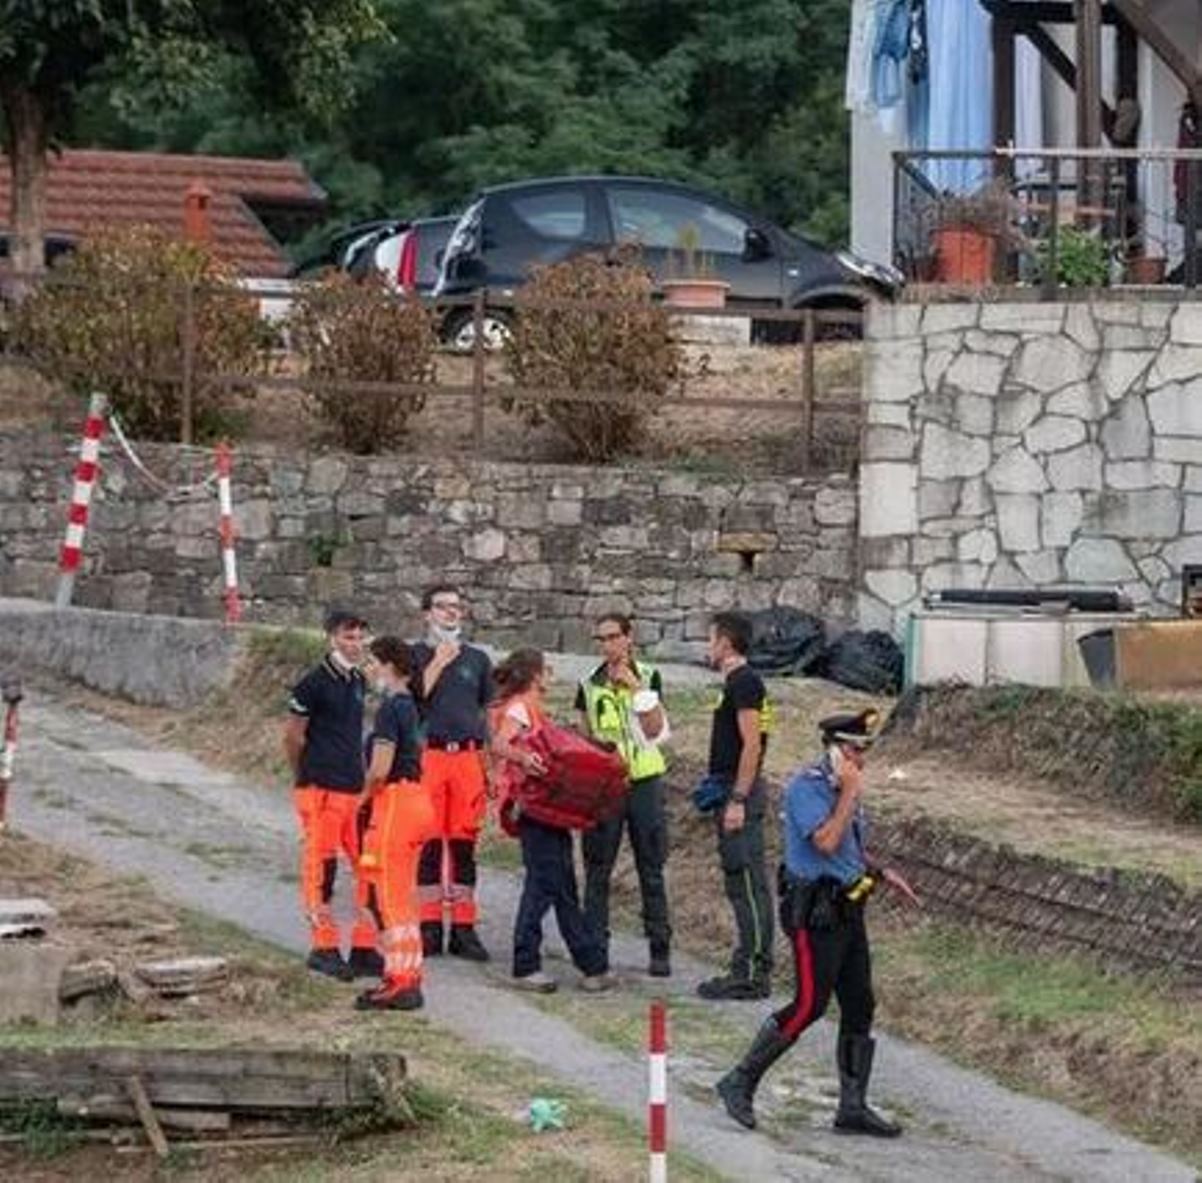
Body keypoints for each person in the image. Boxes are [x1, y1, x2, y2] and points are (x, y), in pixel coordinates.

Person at [716, 709, 920, 1137]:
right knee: (810, 1004)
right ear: (834, 748)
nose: (860, 760)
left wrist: (881, 872)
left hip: (847, 908)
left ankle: (852, 1106)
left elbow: (849, 846)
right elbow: (826, 842)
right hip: (814, 915)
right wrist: (847, 794)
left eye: (863, 751)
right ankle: (740, 1080)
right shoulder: (806, 789)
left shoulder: (843, 786)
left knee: (861, 1003)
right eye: (853, 750)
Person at [490, 648, 612, 995]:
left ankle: (591, 965)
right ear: (535, 675)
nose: (552, 674)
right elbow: (500, 744)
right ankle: (526, 963)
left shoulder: (530, 708)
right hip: (534, 806)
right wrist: (525, 759)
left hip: (545, 806)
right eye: (547, 670)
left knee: (560, 885)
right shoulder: (519, 707)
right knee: (544, 884)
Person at [283, 605, 381, 981]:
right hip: (321, 787)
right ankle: (323, 945)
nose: (355, 644)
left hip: (350, 788)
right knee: (320, 867)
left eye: (359, 637)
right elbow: (293, 735)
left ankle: (362, 945)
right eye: (347, 637)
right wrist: (303, 776)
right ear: (331, 638)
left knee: (365, 866)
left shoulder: (356, 680)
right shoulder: (313, 682)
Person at [575, 613, 673, 977]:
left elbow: (657, 729)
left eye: (614, 637)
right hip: (607, 785)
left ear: (629, 639)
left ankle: (659, 945)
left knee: (651, 866)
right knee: (599, 867)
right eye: (601, 639)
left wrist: (634, 688)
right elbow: (583, 734)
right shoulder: (588, 683)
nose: (607, 645)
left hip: (645, 780)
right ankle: (595, 947)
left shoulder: (649, 676)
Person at [411, 584, 493, 962]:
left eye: (456, 607)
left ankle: (463, 927)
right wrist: (438, 662)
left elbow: (485, 712)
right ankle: (429, 926)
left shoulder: (477, 659)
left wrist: (490, 766)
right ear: (427, 613)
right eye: (442, 607)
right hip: (431, 755)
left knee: (464, 845)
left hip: (467, 760)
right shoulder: (416, 655)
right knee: (428, 843)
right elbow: (413, 698)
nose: (451, 614)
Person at [355, 635, 436, 1011]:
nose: (368, 670)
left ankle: (400, 980)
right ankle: (409, 973)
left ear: (389, 665)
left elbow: (380, 769)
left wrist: (362, 800)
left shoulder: (391, 708)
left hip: (396, 805)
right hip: (418, 802)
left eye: (372, 663)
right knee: (405, 895)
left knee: (388, 895)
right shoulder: (411, 707)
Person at [697, 611, 774, 1001]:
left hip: (738, 791)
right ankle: (744, 965)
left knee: (747, 882)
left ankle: (753, 972)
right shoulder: (733, 684)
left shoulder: (744, 683)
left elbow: (752, 744)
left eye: (711, 639)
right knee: (738, 882)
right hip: (727, 787)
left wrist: (738, 798)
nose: (708, 647)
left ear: (725, 642)